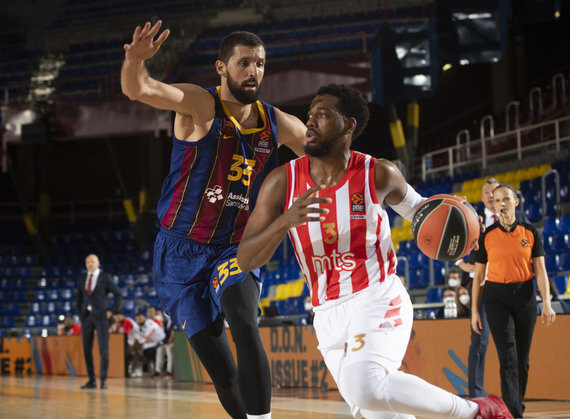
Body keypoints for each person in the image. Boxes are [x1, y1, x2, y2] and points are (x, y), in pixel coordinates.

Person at [237, 84, 512, 419]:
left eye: (322, 115)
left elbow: (425, 215)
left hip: (376, 296)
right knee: (378, 409)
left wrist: (460, 218)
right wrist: (285, 221)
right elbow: (246, 258)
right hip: (325, 314)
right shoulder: (282, 181)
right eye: (309, 116)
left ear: (348, 125)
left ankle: (477, 410)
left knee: (365, 387)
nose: (309, 123)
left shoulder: (378, 173)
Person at [121, 20, 306, 419]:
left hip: (235, 247)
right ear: (221, 68)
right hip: (179, 252)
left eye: (259, 63)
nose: (253, 71)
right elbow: (140, 89)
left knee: (244, 320)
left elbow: (326, 150)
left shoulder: (278, 124)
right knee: (223, 374)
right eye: (244, 63)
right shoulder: (200, 105)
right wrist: (134, 61)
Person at [471, 183, 556, 418]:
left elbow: (540, 270)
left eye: (506, 199)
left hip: (525, 296)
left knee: (522, 360)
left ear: (515, 202)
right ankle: (513, 411)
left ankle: (516, 404)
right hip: (496, 298)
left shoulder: (530, 233)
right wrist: (475, 312)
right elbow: (479, 275)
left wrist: (546, 303)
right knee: (507, 356)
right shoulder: (487, 235)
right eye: (497, 201)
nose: (502, 204)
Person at [457, 177, 499, 398]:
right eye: (487, 192)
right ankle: (476, 395)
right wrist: (461, 263)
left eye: (494, 191)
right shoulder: (473, 218)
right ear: (482, 197)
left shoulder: (513, 218)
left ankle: (512, 396)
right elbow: (456, 244)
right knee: (479, 340)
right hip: (481, 287)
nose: (491, 196)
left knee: (509, 342)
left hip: (506, 284)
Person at [77, 254, 122, 390]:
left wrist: (112, 311)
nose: (90, 263)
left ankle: (103, 380)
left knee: (104, 350)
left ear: (98, 263)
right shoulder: (82, 277)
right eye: (87, 261)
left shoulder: (105, 277)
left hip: (102, 316)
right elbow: (79, 297)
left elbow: (118, 294)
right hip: (86, 317)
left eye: (92, 261)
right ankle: (91, 380)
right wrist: (80, 314)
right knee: (86, 350)